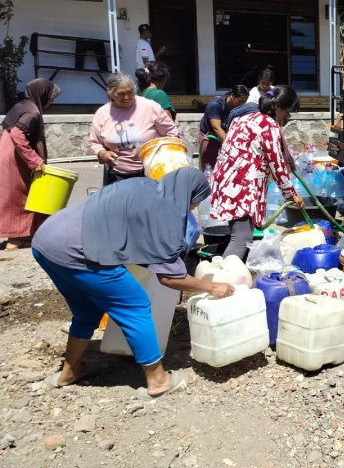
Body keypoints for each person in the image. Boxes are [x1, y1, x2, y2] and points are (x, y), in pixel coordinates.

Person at [32, 168, 235, 398]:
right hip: (77, 250)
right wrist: (212, 287)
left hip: (46, 241)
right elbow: (169, 277)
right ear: (188, 195)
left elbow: (127, 228)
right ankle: (159, 380)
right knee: (135, 305)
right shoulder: (167, 213)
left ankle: (69, 372)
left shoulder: (145, 186)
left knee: (87, 310)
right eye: (195, 203)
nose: (193, 209)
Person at [211, 85, 303, 259]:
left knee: (239, 234)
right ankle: (228, 280)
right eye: (287, 113)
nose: (286, 118)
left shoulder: (243, 118)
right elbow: (277, 165)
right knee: (242, 237)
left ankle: (234, 274)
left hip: (226, 180)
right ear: (277, 107)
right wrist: (291, 195)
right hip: (242, 185)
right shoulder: (268, 126)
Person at [0, 79, 61, 250]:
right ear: (42, 94)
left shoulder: (22, 105)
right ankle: (15, 239)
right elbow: (17, 134)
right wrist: (34, 160)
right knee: (19, 196)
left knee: (18, 195)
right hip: (15, 159)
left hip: (8, 154)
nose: (52, 101)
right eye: (51, 96)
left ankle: (25, 234)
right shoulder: (32, 111)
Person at [89, 73, 178, 186]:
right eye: (121, 94)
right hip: (117, 175)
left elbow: (171, 132)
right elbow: (95, 142)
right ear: (110, 94)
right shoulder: (102, 113)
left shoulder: (150, 107)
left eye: (130, 92)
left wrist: (163, 154)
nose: (126, 97)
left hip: (151, 171)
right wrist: (103, 154)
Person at [198, 85, 249, 171]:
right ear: (232, 96)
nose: (242, 104)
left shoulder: (238, 108)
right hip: (210, 136)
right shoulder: (215, 105)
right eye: (240, 101)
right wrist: (230, 145)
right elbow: (216, 128)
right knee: (209, 167)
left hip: (225, 136)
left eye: (244, 102)